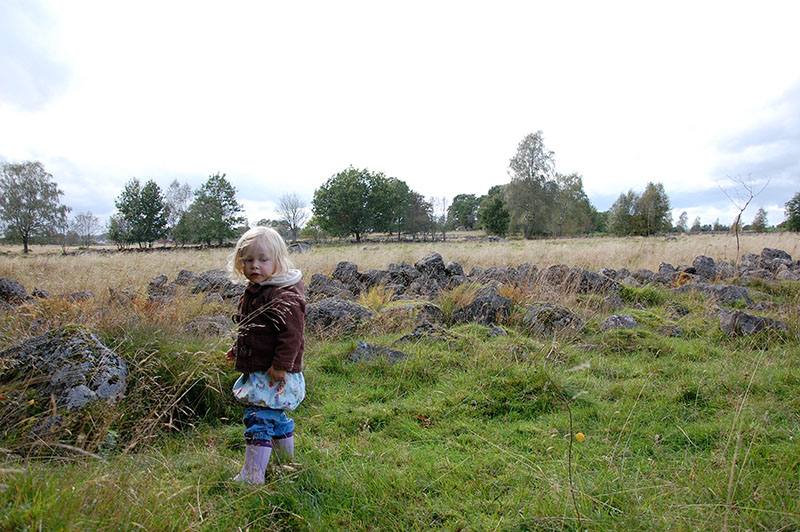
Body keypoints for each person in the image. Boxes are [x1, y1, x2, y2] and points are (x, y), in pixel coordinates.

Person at [226, 226, 306, 485]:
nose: (254, 266)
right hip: (263, 367)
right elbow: (254, 330)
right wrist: (239, 350)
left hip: (274, 371)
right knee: (276, 417)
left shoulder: (282, 294)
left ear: (278, 260)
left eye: (262, 259)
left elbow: (291, 335)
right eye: (248, 260)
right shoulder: (258, 289)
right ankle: (286, 463)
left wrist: (281, 366)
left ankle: (253, 475)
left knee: (258, 417)